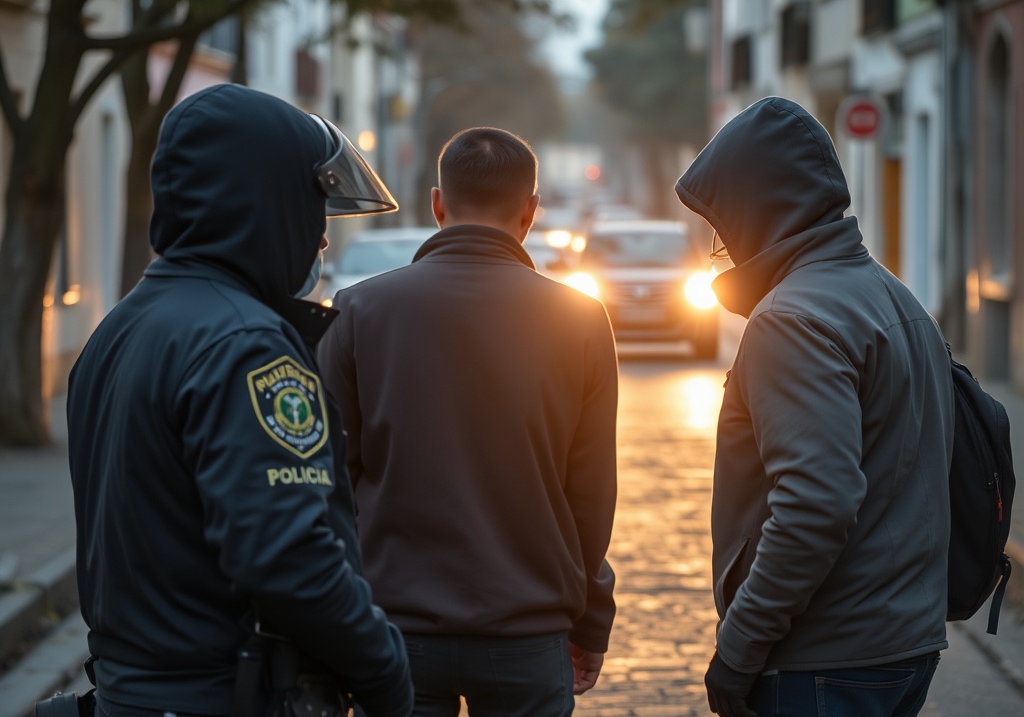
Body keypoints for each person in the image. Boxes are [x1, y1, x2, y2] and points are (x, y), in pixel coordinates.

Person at [66, 84, 414, 717]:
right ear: (268, 204)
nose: (322, 241)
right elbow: (288, 558)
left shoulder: (121, 328)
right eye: (314, 209)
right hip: (224, 693)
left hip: (132, 692)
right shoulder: (250, 345)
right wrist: (385, 672)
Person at [317, 126, 619, 717]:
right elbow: (590, 495)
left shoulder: (357, 311)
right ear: (530, 211)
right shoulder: (580, 319)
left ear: (437, 204)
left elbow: (330, 480)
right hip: (526, 631)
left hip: (394, 631)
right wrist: (591, 616)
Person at [673, 96, 954, 717]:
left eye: (722, 226)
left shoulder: (792, 318)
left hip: (824, 658)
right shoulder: (891, 294)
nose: (720, 246)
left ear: (755, 213)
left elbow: (814, 503)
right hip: (902, 642)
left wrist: (739, 648)